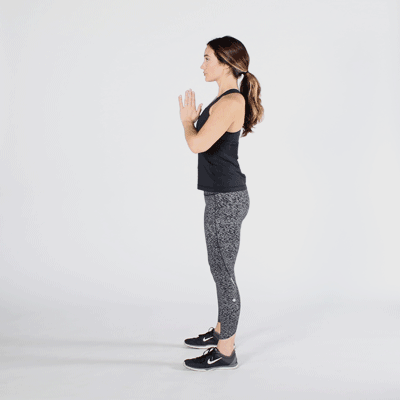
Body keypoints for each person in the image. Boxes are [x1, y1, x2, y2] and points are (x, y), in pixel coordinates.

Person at [178, 36, 264, 371]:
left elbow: (197, 145)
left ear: (226, 64)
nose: (202, 65)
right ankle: (219, 331)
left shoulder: (230, 101)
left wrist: (187, 122)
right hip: (221, 196)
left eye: (207, 58)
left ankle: (226, 350)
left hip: (226, 200)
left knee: (223, 273)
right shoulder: (225, 99)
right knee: (220, 269)